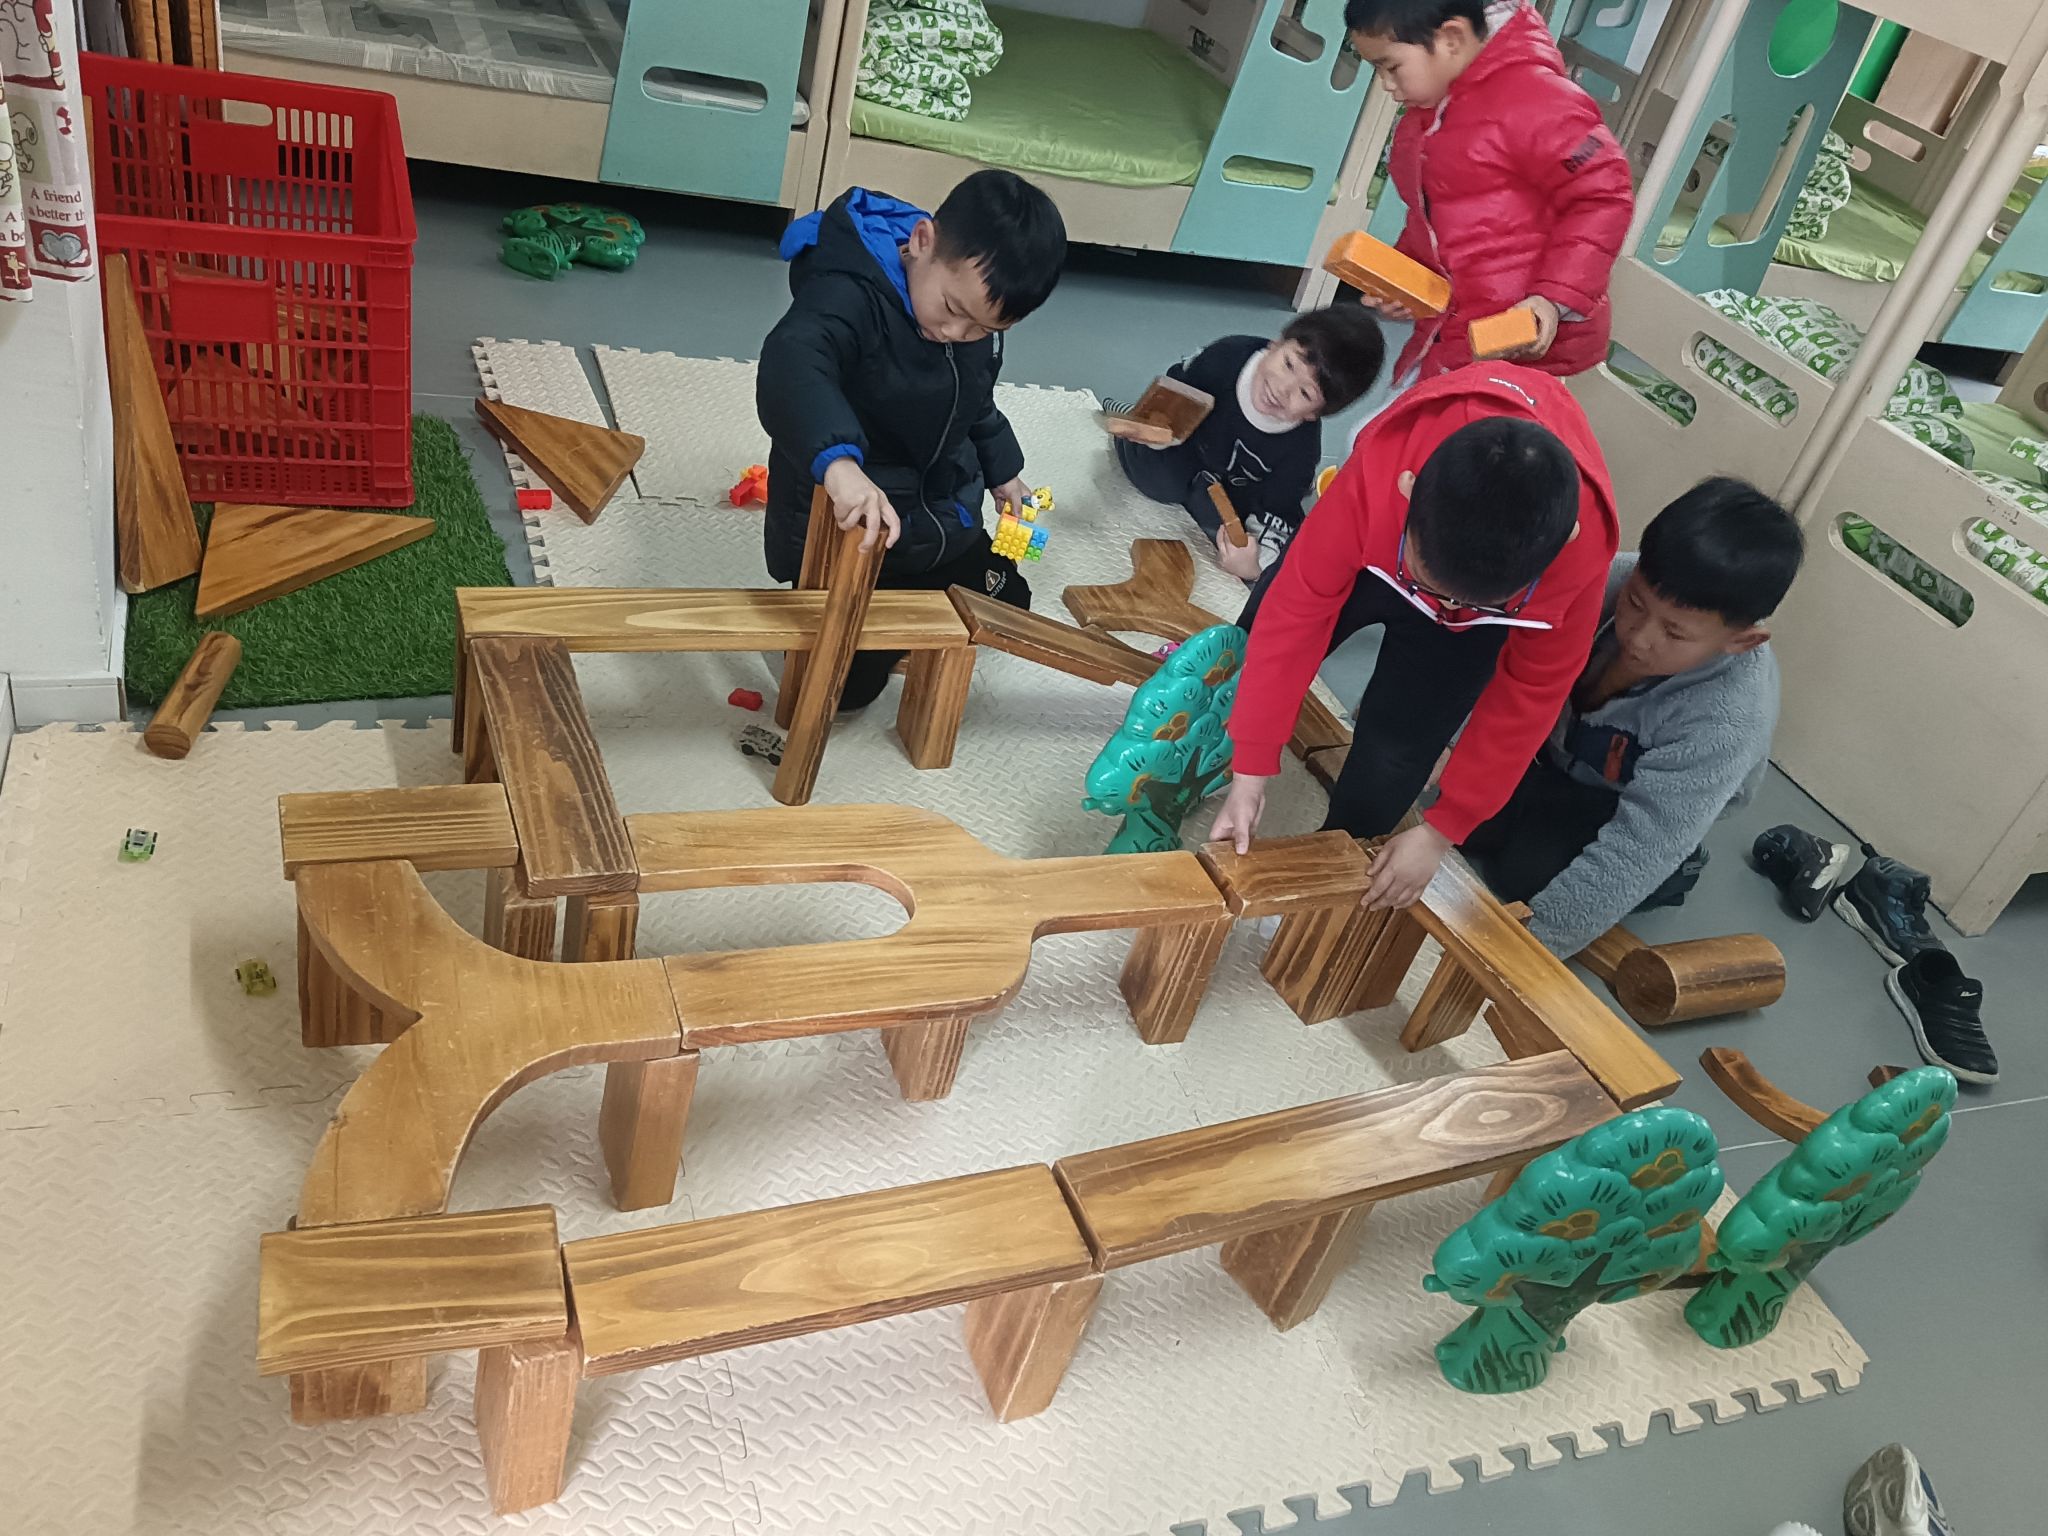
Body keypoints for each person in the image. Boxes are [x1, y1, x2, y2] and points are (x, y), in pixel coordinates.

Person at [1210, 363, 1619, 912]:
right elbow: (1297, 611)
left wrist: (1444, 829)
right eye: (1433, 586)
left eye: (1466, 599)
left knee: (1398, 750)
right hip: (1381, 555)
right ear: (1408, 490)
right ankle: (1207, 755)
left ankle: (1333, 870)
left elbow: (1530, 696)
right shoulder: (1384, 468)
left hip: (1471, 617)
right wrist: (1252, 764)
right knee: (1251, 645)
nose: (1444, 605)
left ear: (1565, 542)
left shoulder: (1581, 555)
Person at [757, 169, 1067, 709]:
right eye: (952, 310)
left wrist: (1004, 471)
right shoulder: (847, 294)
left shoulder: (967, 323)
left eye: (984, 329)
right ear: (921, 242)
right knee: (838, 690)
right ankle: (821, 635)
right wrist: (839, 467)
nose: (957, 334)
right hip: (860, 526)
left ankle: (917, 603)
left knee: (1007, 604)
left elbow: (975, 400)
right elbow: (794, 367)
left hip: (938, 511)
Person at [1459, 477, 1803, 957]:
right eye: (1636, 604)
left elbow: (1639, 847)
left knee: (1525, 875)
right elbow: (1505, 670)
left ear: (1741, 641)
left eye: (1674, 634)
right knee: (1467, 816)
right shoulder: (1607, 581)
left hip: (1625, 800)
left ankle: (1680, 867)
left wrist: (1529, 953)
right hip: (1552, 755)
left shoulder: (1728, 719)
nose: (1639, 638)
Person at [1344, 0, 1632, 382]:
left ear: (1451, 38)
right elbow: (1438, 215)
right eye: (1377, 70)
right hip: (1460, 328)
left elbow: (1602, 196)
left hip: (1527, 339)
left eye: (1392, 67)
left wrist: (1553, 299)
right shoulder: (1430, 115)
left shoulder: (1537, 99)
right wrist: (1411, 278)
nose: (1386, 84)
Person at [1104, 307, 1386, 581]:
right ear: (1276, 344)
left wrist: (1254, 567)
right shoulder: (1226, 357)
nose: (1282, 388)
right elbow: (1173, 395)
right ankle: (1127, 414)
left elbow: (1277, 516)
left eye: (1305, 393)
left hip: (1231, 490)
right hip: (1186, 447)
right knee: (1158, 480)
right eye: (1288, 364)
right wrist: (1151, 429)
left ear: (1315, 413)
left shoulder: (1300, 451)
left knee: (1243, 543)